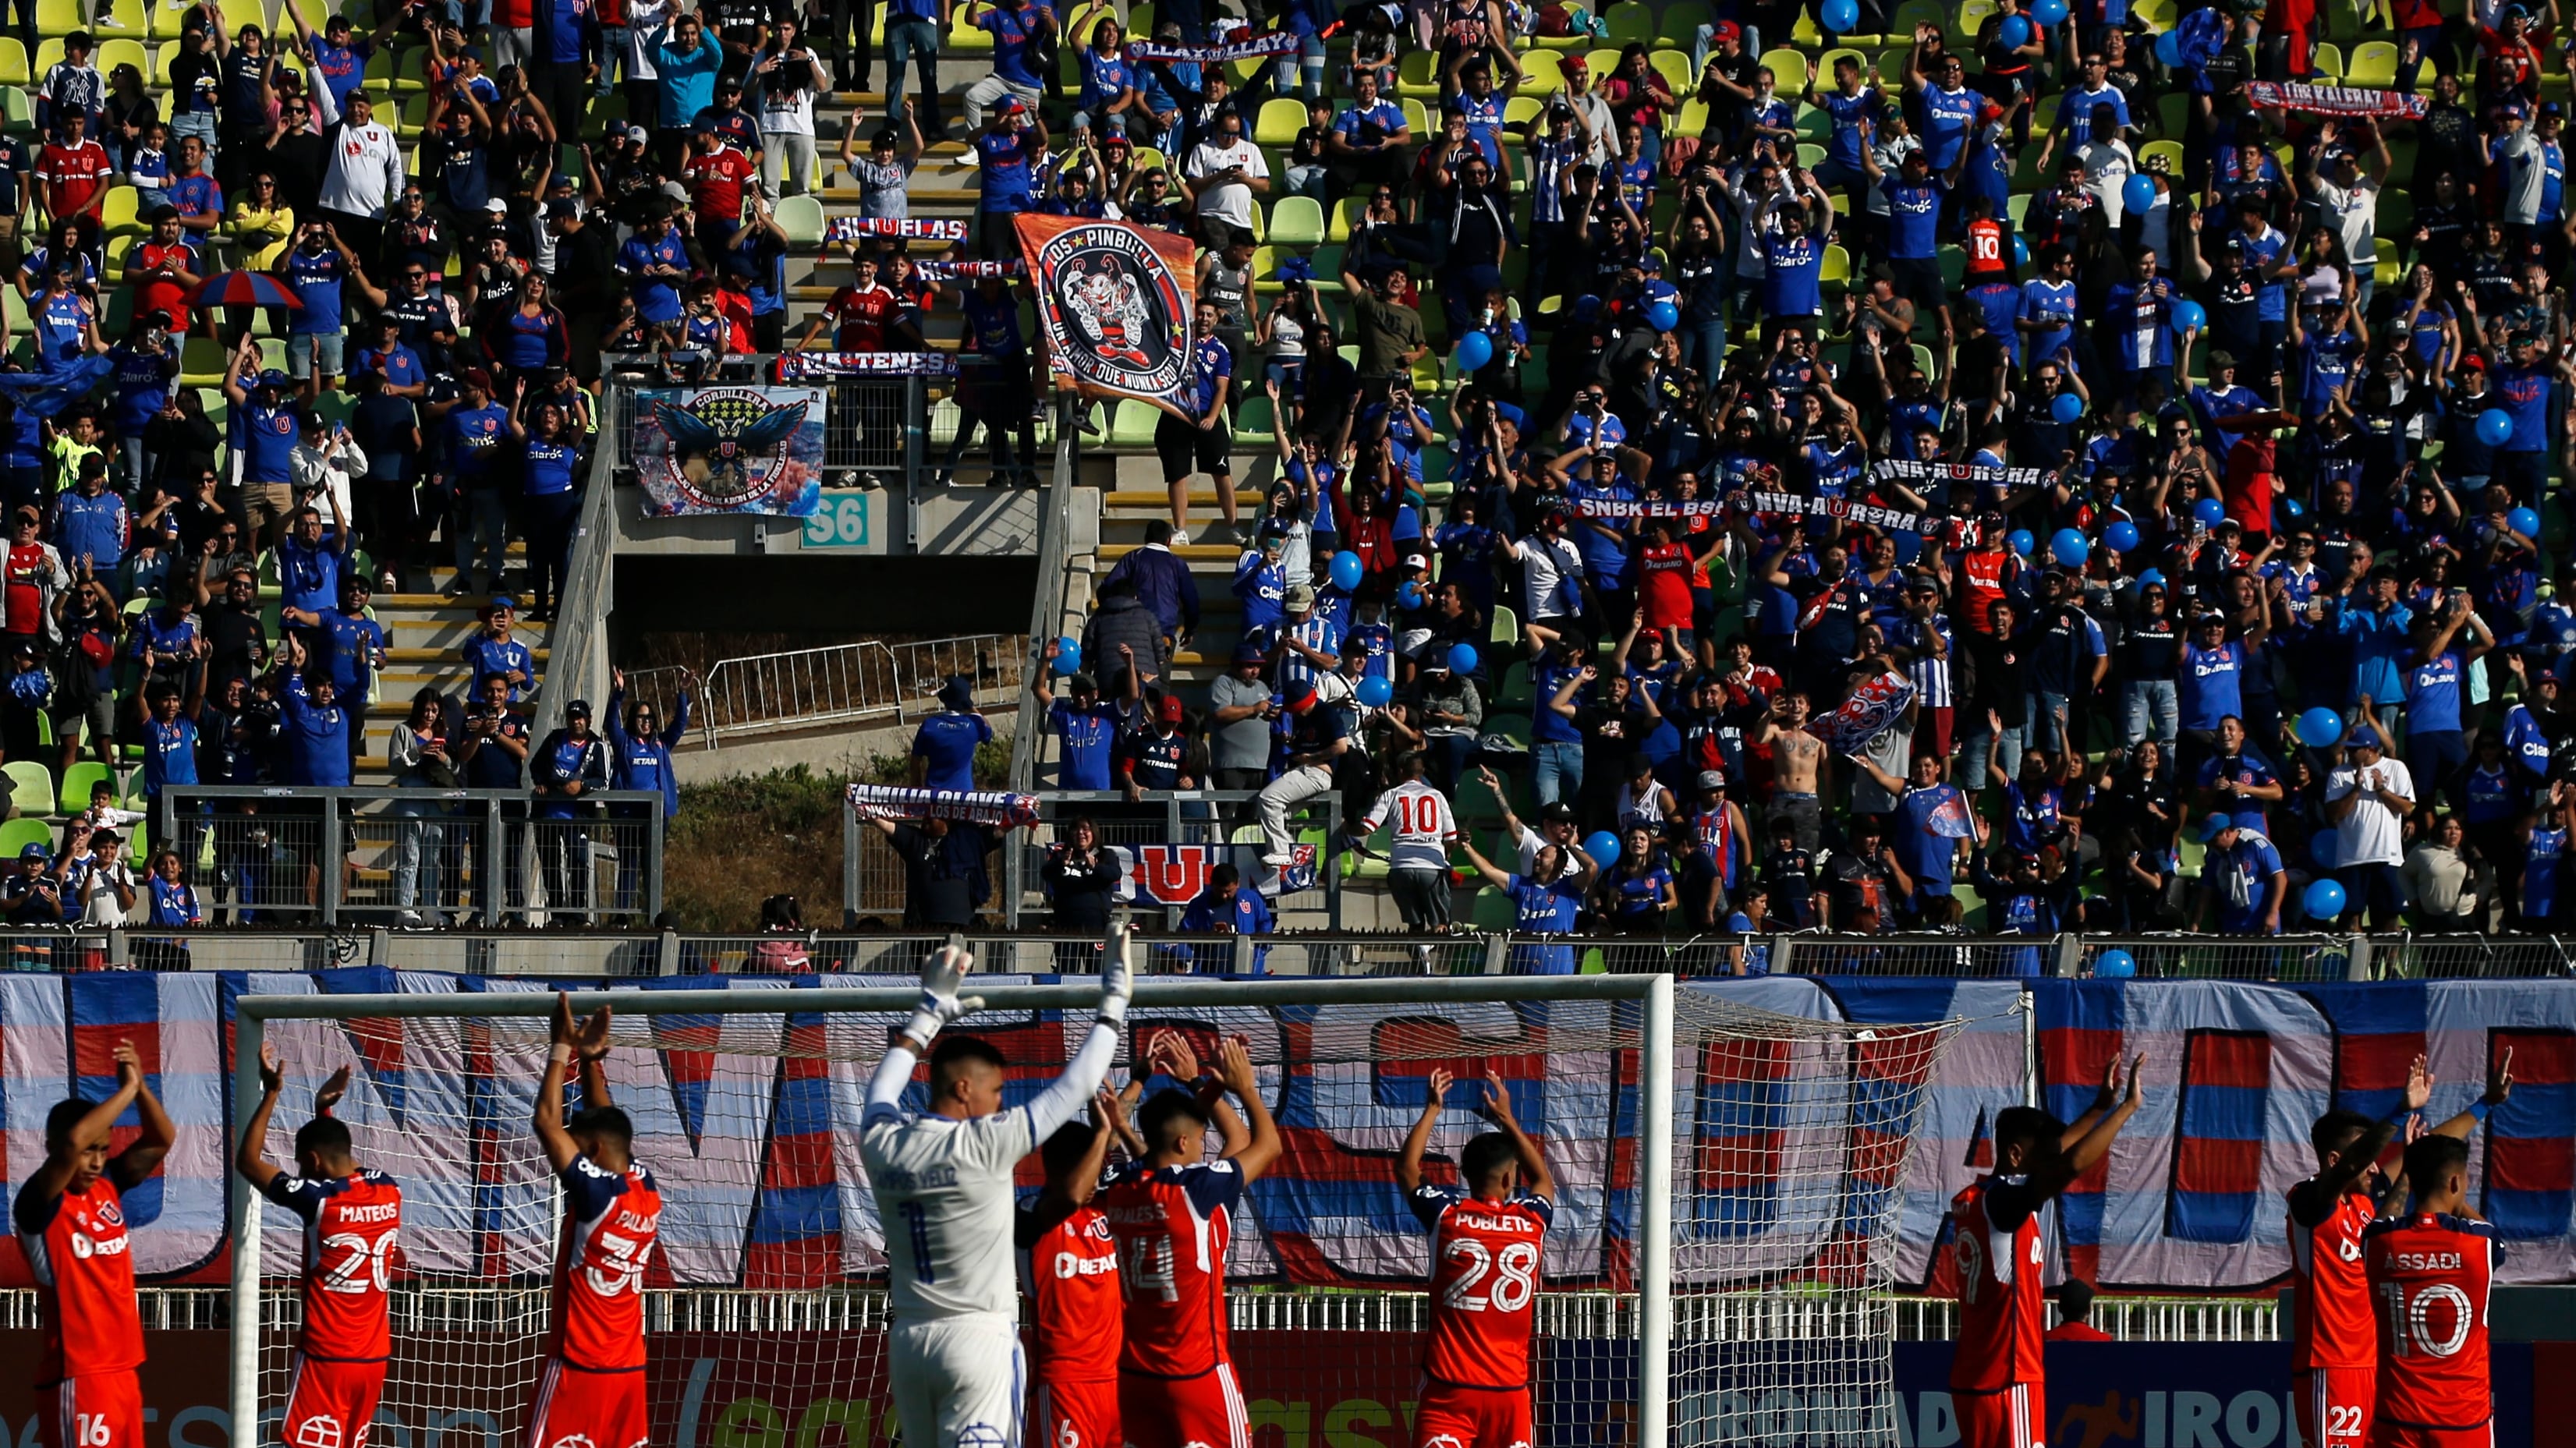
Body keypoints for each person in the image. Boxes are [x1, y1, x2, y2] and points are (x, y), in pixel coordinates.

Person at [862, 935, 1128, 1448]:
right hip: (978, 1340)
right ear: (964, 1088)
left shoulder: (881, 1140)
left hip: (910, 1343)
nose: (1000, 1100)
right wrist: (1114, 996)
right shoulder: (986, 1143)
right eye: (997, 1089)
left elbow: (881, 1089)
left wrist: (928, 1009)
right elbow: (1077, 1084)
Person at [1098, 1029, 1283, 1448]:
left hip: (1134, 1375)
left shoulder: (1120, 1188)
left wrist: (1156, 1083)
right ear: (1184, 1142)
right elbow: (1263, 1144)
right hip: (1197, 1374)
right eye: (1199, 1140)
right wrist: (1238, 1087)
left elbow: (1125, 1144)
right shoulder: (1198, 1191)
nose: (1204, 1146)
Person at [1948, 1056, 2145, 1448]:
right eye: (2043, 1156)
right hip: (2010, 1376)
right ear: (2017, 1156)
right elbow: (2070, 1164)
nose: (2050, 1163)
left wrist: (2099, 1107)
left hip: (1975, 1379)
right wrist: (2127, 1109)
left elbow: (2060, 1151)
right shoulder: (2008, 1203)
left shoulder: (1977, 1199)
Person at [234, 1046, 400, 1448]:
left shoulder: (319, 1200)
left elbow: (248, 1162)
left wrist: (272, 1092)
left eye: (300, 1163)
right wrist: (322, 1111)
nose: (299, 1170)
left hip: (327, 1356)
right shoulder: (388, 1188)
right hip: (374, 1358)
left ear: (311, 1161)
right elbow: (340, 1160)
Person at [12, 1039, 173, 1448]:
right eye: (89, 1152)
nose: (97, 1161)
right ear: (52, 1150)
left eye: (103, 1150)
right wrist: (124, 1091)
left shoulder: (108, 1186)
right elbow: (72, 1142)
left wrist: (140, 1089)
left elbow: (161, 1140)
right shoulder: (39, 1205)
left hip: (124, 1369)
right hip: (78, 1374)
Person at [1394, 1067, 1554, 1448]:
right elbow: (1544, 1181)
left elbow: (1406, 1170)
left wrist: (1433, 1108)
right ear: (1508, 1179)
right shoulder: (1531, 1219)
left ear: (1464, 1174)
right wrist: (1507, 1118)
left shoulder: (1446, 1216)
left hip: (1450, 1391)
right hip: (1509, 1393)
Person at [524, 997, 654, 1448]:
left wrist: (561, 1047)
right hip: (628, 1369)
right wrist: (591, 1061)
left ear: (594, 1155)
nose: (571, 1152)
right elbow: (610, 1128)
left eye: (577, 1147)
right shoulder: (644, 1186)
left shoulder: (596, 1193)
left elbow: (546, 1121)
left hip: (581, 1367)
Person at [2363, 1133, 2503, 1448]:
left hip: (2397, 1419)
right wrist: (2453, 1197)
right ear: (2456, 1182)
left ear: (2411, 1180)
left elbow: (2380, 1222)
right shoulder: (2479, 1244)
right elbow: (2495, 1238)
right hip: (2464, 1420)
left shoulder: (2379, 1241)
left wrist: (2411, 1175)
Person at [1354, 752, 1459, 934]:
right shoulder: (1437, 796)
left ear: (1400, 772)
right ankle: (1430, 955)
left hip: (1400, 869)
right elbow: (1451, 838)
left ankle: (1418, 957)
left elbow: (1366, 829)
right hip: (1432, 868)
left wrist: (1346, 829)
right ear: (1422, 772)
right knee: (1441, 925)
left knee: (1415, 927)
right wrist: (1446, 854)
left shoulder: (1391, 795)